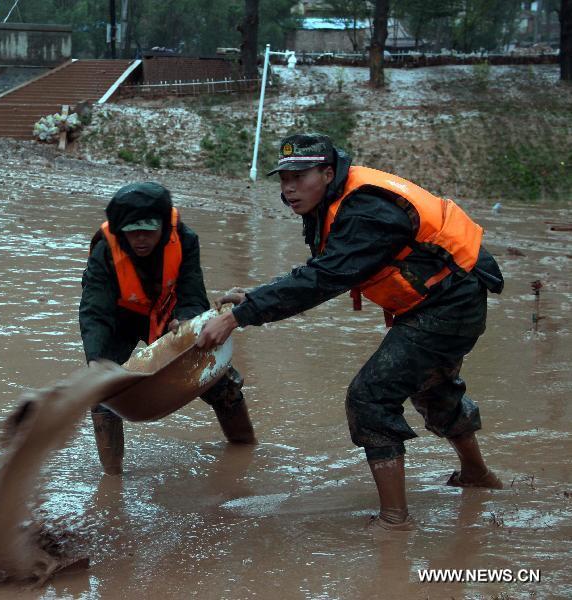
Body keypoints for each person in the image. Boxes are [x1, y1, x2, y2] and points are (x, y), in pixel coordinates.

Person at [197, 133, 504, 529]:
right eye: (283, 179)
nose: (289, 188)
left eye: (299, 176)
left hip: (450, 301)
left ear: (327, 173)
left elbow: (326, 278)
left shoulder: (367, 209)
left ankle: (395, 519)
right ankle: (477, 476)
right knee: (433, 386)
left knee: (370, 397)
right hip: (436, 298)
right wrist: (257, 297)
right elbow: (322, 269)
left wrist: (239, 316)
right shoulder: (331, 200)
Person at [80, 182, 257, 475]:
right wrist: (96, 360)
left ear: (164, 225)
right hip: (119, 315)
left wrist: (186, 321)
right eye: (132, 231)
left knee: (220, 381)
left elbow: (192, 294)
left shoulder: (185, 239)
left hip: (167, 312)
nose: (140, 239)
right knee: (102, 390)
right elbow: (94, 311)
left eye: (149, 231)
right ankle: (112, 477)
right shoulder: (105, 249)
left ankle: (245, 448)